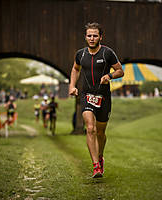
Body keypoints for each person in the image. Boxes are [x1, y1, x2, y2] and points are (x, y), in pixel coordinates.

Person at [69, 22, 124, 178]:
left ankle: (100, 157)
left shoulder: (108, 53)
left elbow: (120, 71)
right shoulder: (81, 54)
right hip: (86, 95)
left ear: (101, 36)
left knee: (100, 132)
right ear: (85, 37)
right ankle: (96, 167)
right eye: (89, 35)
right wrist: (72, 86)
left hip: (103, 97)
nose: (92, 38)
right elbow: (75, 68)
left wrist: (109, 76)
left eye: (95, 35)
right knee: (90, 128)